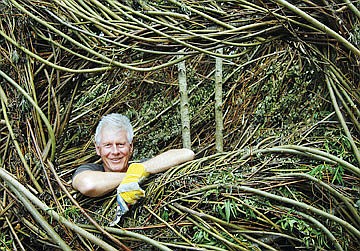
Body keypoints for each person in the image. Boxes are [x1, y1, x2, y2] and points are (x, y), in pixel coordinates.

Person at [72, 113, 195, 203]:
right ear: (98, 149)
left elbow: (187, 154)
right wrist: (132, 176)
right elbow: (88, 185)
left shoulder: (141, 168)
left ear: (131, 147)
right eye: (108, 145)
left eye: (120, 144)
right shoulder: (90, 170)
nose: (115, 152)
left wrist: (140, 169)